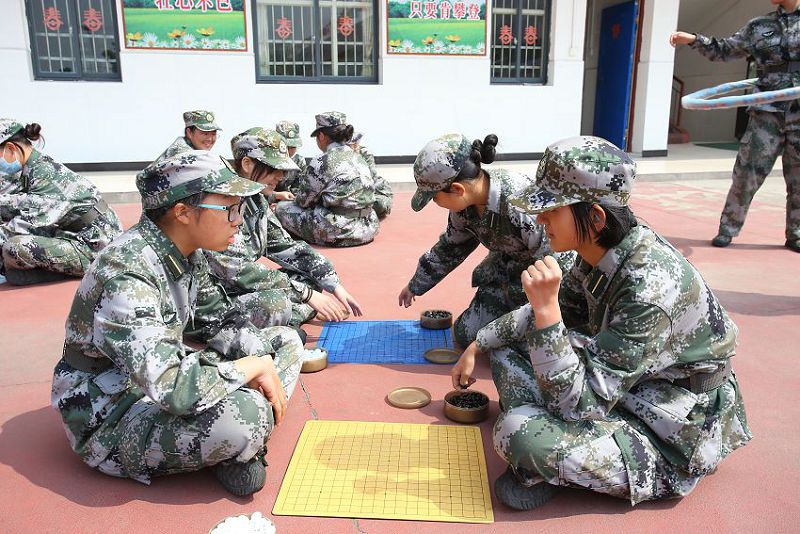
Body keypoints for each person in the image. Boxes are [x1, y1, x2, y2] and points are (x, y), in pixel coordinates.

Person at [451, 136, 751, 510]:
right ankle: (558, 450)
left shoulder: (650, 291)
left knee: (517, 435)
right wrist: (480, 341)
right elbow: (562, 310)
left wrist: (546, 314)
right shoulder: (601, 250)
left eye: (551, 210)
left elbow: (580, 405)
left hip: (671, 421)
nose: (539, 219)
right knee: (506, 351)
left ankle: (560, 461)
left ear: (595, 218)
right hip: (630, 384)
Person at [52, 151, 303, 496]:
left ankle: (238, 439)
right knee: (248, 413)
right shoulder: (126, 277)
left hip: (158, 378)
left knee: (286, 341)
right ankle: (245, 437)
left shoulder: (184, 251)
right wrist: (249, 369)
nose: (238, 221)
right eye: (230, 209)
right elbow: (173, 387)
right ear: (183, 212)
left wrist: (260, 361)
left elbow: (218, 319)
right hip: (113, 413)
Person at [398, 133, 572, 349]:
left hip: (547, 285)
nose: (435, 202)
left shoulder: (520, 202)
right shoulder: (463, 208)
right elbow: (450, 249)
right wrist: (415, 285)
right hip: (507, 276)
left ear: (457, 189)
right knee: (466, 335)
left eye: (434, 197)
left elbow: (559, 269)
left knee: (523, 347)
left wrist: (535, 313)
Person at [670, 0, 800, 252]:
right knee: (746, 173)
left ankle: (796, 233)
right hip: (767, 113)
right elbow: (726, 49)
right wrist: (694, 39)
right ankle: (727, 229)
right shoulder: (759, 26)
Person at [205, 127, 362, 329]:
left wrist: (333, 285)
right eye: (274, 168)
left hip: (243, 286)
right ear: (247, 163)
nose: (281, 176)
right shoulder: (223, 203)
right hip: (217, 295)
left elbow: (287, 247)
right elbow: (238, 270)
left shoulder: (256, 201)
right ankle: (293, 315)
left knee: (311, 277)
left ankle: (297, 312)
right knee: (275, 305)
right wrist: (305, 295)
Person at [0, 119, 123, 285]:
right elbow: (14, 202)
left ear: (10, 149)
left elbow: (19, 226)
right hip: (70, 233)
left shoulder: (46, 176)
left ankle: (71, 271)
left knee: (13, 247)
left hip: (95, 246)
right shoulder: (31, 166)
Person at [274, 111, 378, 247]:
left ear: (321, 136)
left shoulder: (322, 161)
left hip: (339, 232)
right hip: (368, 228)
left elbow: (303, 202)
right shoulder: (359, 157)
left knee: (281, 208)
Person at [347, 131, 393, 219]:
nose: (356, 146)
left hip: (373, 191)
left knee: (379, 204)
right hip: (350, 193)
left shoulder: (364, 153)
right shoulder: (338, 155)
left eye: (356, 143)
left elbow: (370, 179)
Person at [154, 110, 222, 162]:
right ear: (189, 133)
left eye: (213, 134)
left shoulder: (195, 150)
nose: (210, 139)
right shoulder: (183, 153)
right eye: (205, 134)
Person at [274, 120, 308, 195]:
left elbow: (298, 189)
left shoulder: (299, 161)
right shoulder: (268, 158)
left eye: (293, 147)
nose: (289, 151)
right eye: (285, 147)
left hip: (286, 199)